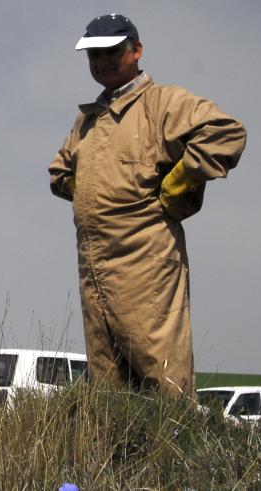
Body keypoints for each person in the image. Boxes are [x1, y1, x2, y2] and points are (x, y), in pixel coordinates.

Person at [48, 14, 247, 395]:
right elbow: (59, 171)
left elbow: (226, 132)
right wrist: (91, 185)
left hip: (147, 265)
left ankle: (171, 454)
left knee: (163, 378)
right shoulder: (88, 119)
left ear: (136, 51)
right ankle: (118, 456)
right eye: (93, 56)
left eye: (111, 52)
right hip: (93, 269)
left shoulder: (162, 103)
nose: (101, 62)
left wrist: (179, 182)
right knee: (109, 391)